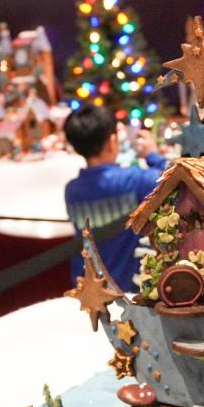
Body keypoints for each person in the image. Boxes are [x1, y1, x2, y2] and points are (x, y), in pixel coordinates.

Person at [63, 105, 167, 292]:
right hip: (128, 291)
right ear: (112, 140)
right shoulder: (134, 181)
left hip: (89, 290)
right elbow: (172, 177)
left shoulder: (71, 191)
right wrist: (152, 154)